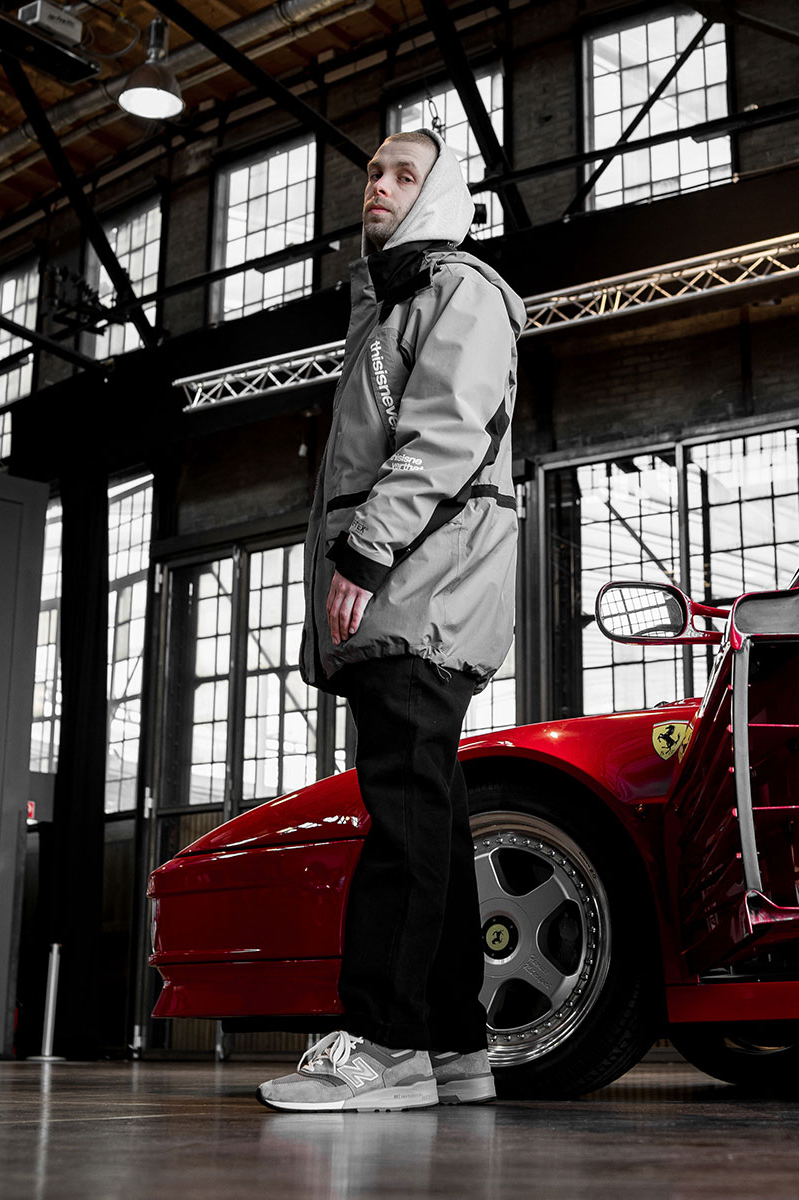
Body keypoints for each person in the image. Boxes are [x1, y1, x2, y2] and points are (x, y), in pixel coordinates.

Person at [256, 128, 523, 1113]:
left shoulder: (461, 290)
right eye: (373, 172)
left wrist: (366, 554)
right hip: (411, 591)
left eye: (405, 174)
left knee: (403, 823)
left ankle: (383, 1043)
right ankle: (453, 1045)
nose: (380, 185)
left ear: (442, 194)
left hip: (424, 590)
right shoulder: (387, 306)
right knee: (431, 823)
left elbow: (446, 432)